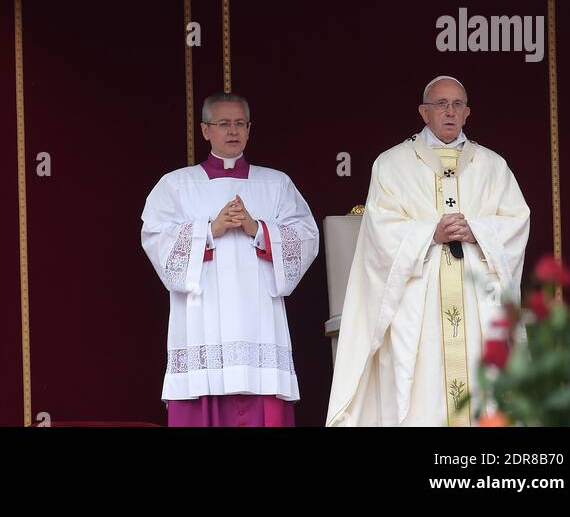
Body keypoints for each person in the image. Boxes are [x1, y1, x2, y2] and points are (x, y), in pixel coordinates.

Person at [326, 75, 529, 427]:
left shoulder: (492, 166)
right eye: (440, 104)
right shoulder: (392, 164)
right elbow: (380, 231)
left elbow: (516, 221)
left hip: (475, 299)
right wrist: (429, 233)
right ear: (424, 112)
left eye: (457, 105)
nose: (449, 112)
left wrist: (477, 229)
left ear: (467, 113)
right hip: (417, 301)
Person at [142, 92, 319, 427]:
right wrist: (210, 230)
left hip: (260, 323)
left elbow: (307, 238)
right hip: (201, 321)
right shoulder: (176, 185)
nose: (233, 131)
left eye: (240, 123)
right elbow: (157, 239)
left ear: (250, 129)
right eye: (223, 123)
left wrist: (258, 229)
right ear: (206, 130)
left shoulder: (276, 184)